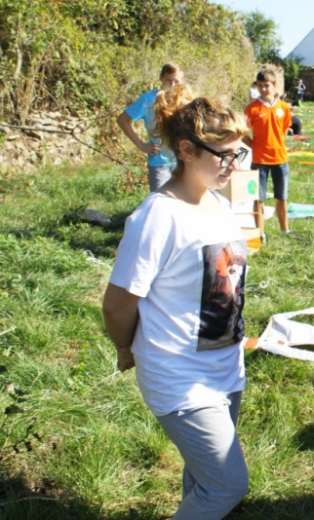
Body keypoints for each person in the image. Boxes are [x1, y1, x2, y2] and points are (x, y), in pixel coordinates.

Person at [102, 84, 251, 520]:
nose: (233, 164)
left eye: (237, 153)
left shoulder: (220, 205)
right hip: (179, 376)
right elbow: (117, 303)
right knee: (227, 485)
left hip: (226, 369)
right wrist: (125, 349)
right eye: (223, 154)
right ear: (186, 150)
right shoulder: (157, 217)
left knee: (204, 479)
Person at [243, 69, 298, 243]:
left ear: (274, 86)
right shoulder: (251, 109)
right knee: (258, 198)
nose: (264, 89)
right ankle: (260, 233)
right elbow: (243, 132)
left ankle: (285, 230)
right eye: (260, 86)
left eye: (267, 85)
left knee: (282, 196)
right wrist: (254, 145)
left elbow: (283, 129)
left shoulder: (283, 107)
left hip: (280, 159)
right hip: (259, 160)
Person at [117, 63, 183, 192]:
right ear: (161, 78)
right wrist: (141, 145)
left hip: (182, 161)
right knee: (159, 203)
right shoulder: (149, 99)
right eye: (169, 80)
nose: (173, 85)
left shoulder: (183, 99)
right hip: (160, 162)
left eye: (177, 81)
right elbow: (122, 120)